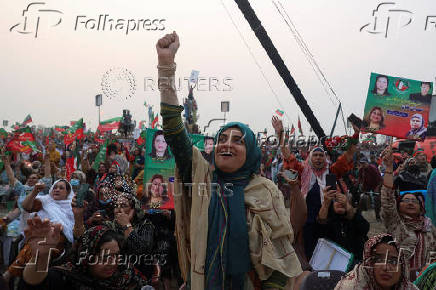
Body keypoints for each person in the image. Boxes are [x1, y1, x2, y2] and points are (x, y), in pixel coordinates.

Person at [157, 32, 301, 289]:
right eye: (223, 138)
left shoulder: (266, 192)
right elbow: (174, 132)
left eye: (238, 140)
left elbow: (278, 259)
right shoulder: (201, 179)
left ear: (252, 154)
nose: (226, 144)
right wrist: (166, 67)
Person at [20, 217, 148, 289]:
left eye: (116, 255)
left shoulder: (126, 274)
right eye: (105, 258)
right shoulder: (67, 277)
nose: (113, 263)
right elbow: (33, 284)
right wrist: (41, 256)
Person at [381, 147, 436, 280]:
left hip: (427, 281)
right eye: (406, 201)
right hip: (400, 279)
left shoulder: (429, 227)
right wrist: (389, 168)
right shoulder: (396, 223)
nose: (411, 203)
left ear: (421, 207)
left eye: (414, 201)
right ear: (399, 206)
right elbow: (388, 199)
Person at [334, 233, 418, 289]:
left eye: (393, 262)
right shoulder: (351, 287)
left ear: (403, 267)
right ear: (368, 263)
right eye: (378, 260)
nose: (385, 267)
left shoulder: (406, 287)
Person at [316, 188, 369, 263]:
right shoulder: (329, 219)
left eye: (343, 201)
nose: (340, 203)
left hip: (355, 261)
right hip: (332, 262)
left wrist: (349, 208)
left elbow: (364, 229)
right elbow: (320, 229)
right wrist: (326, 203)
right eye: (336, 201)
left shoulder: (354, 218)